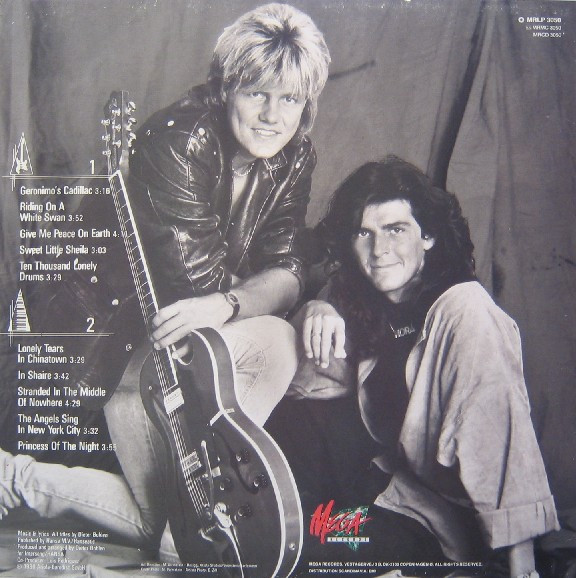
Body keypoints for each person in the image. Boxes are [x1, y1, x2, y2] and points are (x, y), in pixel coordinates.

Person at [0, 2, 330, 557]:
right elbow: (196, 286)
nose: (273, 115)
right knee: (278, 337)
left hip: (188, 361)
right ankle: (208, 506)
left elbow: (288, 266)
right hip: (129, 356)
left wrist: (234, 301)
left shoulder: (293, 155)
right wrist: (253, 295)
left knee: (164, 522)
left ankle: (16, 477)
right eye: (257, 93)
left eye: (291, 99)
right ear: (225, 88)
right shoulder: (178, 140)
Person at [267, 157, 559, 577]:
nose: (379, 250)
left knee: (304, 554)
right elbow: (297, 389)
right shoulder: (355, 299)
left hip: (446, 520)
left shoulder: (464, 309)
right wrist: (316, 308)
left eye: (395, 230)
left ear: (429, 235)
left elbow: (498, 423)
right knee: (289, 545)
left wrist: (522, 561)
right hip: (385, 497)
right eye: (364, 233)